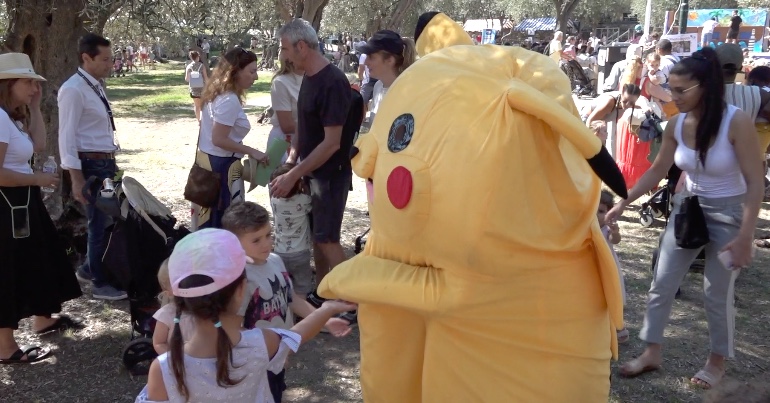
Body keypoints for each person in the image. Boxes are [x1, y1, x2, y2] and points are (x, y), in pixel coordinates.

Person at [606, 47, 763, 389]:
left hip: (729, 212)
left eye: (680, 91)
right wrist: (624, 202)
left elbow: (755, 182)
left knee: (716, 292)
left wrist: (745, 234)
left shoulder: (735, 121)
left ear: (705, 86)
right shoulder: (676, 123)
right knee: (662, 283)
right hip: (687, 208)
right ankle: (651, 351)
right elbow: (658, 169)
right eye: (671, 89)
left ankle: (716, 361)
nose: (672, 97)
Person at [134, 228, 356, 402]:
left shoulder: (164, 369)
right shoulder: (260, 343)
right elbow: (299, 333)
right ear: (241, 290)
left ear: (179, 300)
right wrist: (327, 309)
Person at [222, 202, 352, 402]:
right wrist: (264, 356)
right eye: (256, 240)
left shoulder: (275, 260)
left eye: (268, 235)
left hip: (278, 353)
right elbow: (235, 329)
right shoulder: (239, 279)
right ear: (234, 243)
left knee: (276, 392)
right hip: (254, 362)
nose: (266, 243)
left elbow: (292, 299)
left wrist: (323, 320)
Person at [0, 53, 83, 364]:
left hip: (23, 202)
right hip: (8, 207)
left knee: (38, 257)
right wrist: (37, 178)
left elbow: (38, 145)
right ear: (7, 84)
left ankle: (43, 319)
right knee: (9, 269)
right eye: (27, 82)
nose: (34, 88)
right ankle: (6, 347)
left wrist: (33, 108)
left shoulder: (11, 117)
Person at [270, 19, 358, 295]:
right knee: (318, 240)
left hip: (330, 175)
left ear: (302, 46)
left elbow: (331, 143)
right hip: (311, 171)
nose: (282, 55)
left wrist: (294, 173)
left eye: (285, 49)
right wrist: (291, 161)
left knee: (328, 240)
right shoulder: (308, 76)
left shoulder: (332, 82)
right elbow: (302, 126)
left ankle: (353, 302)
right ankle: (323, 292)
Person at [59, 33, 127, 300]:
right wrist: (75, 177)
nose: (111, 64)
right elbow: (66, 137)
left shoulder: (94, 85)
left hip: (104, 162)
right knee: (99, 222)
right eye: (105, 59)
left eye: (112, 58)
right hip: (90, 164)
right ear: (86, 58)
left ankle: (89, 268)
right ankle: (100, 282)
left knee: (109, 217)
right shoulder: (73, 90)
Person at [191, 47, 267, 230]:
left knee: (210, 224)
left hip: (208, 164)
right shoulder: (228, 100)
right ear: (235, 71)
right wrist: (252, 151)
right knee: (222, 224)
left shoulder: (218, 94)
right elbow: (219, 139)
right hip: (220, 169)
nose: (255, 77)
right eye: (252, 71)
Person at [265, 166, 314, 298]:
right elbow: (312, 203)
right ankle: (301, 310)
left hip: (280, 252)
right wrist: (305, 186)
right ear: (299, 184)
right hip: (300, 253)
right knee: (301, 286)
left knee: (284, 284)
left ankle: (286, 310)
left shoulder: (274, 201)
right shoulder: (304, 201)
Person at [361, 30, 417, 126]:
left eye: (371, 57)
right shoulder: (378, 86)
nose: (366, 62)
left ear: (390, 60)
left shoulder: (410, 93)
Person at [598, 190, 627, 343]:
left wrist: (615, 232)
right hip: (591, 269)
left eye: (602, 211)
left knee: (610, 295)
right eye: (594, 210)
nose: (597, 215)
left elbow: (615, 240)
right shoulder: (584, 225)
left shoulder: (606, 229)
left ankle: (618, 326)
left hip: (607, 268)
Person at [584, 83, 642, 159]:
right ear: (622, 92)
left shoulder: (635, 106)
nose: (627, 105)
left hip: (599, 126)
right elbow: (590, 121)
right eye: (625, 101)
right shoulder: (610, 102)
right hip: (586, 122)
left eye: (631, 103)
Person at [152, 259, 194, 355]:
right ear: (168, 293)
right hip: (178, 365)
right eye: (180, 283)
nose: (187, 286)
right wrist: (175, 358)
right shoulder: (166, 315)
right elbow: (159, 343)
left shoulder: (206, 309)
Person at [268, 56, 303, 164]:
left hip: (307, 139)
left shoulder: (314, 79)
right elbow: (286, 126)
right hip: (285, 142)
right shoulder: (281, 82)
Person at [184, 50, 208, 123]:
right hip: (202, 88)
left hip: (193, 89)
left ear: (191, 57)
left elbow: (187, 79)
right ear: (198, 57)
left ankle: (199, 121)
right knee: (203, 105)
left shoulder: (189, 67)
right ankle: (205, 120)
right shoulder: (202, 65)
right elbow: (206, 78)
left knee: (196, 105)